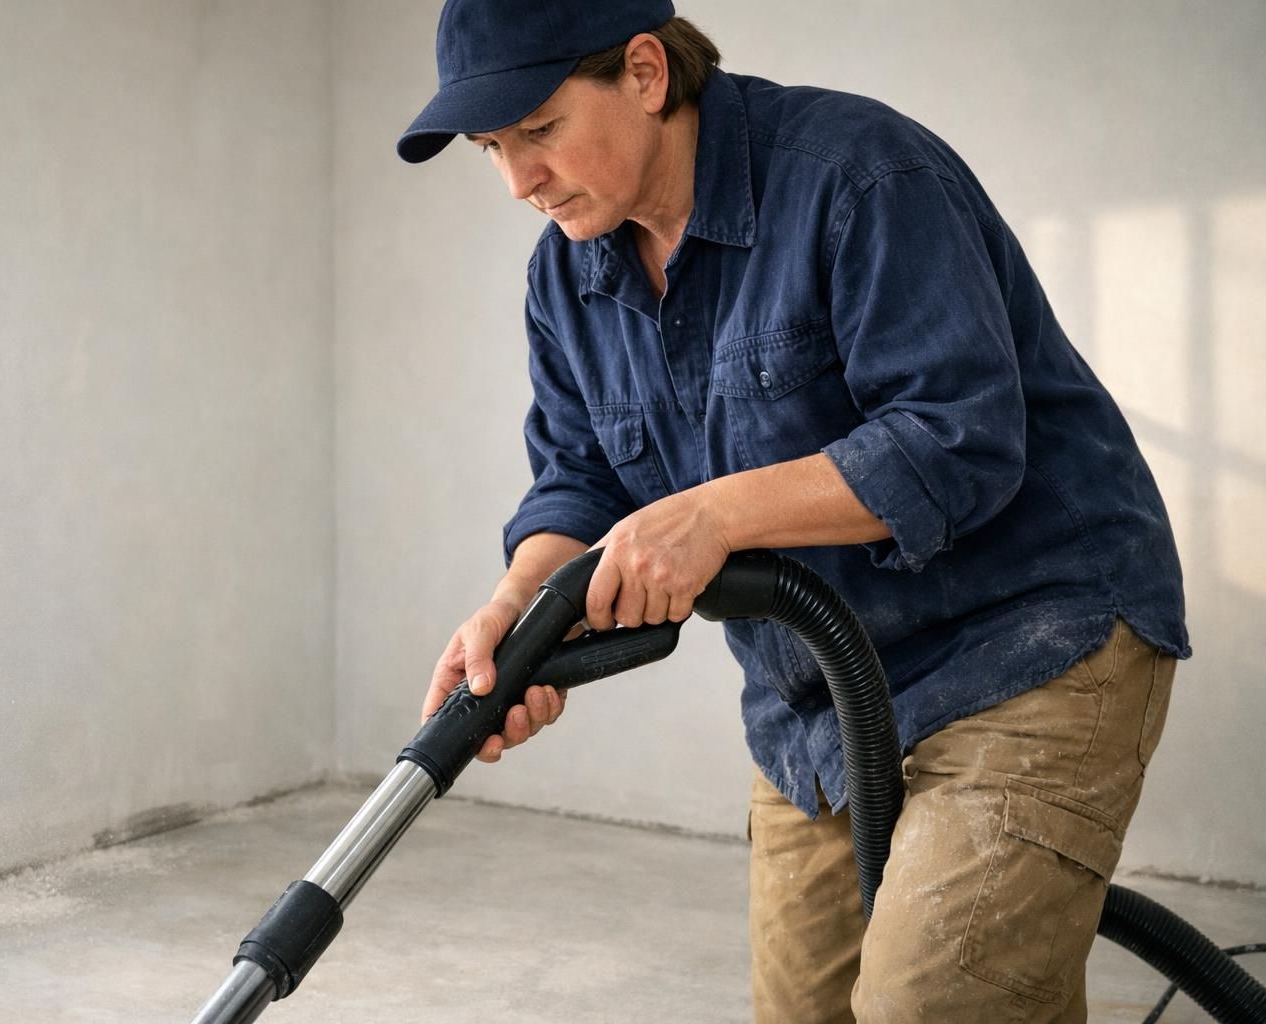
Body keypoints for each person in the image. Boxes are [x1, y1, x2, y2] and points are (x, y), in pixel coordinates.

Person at [400, 2, 1191, 1020]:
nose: (518, 181)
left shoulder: (860, 177)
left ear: (645, 72)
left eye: (540, 130)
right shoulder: (567, 277)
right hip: (820, 704)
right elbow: (582, 481)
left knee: (930, 1004)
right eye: (490, 148)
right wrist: (523, 608)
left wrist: (715, 516)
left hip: (1026, 646)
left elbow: (959, 438)